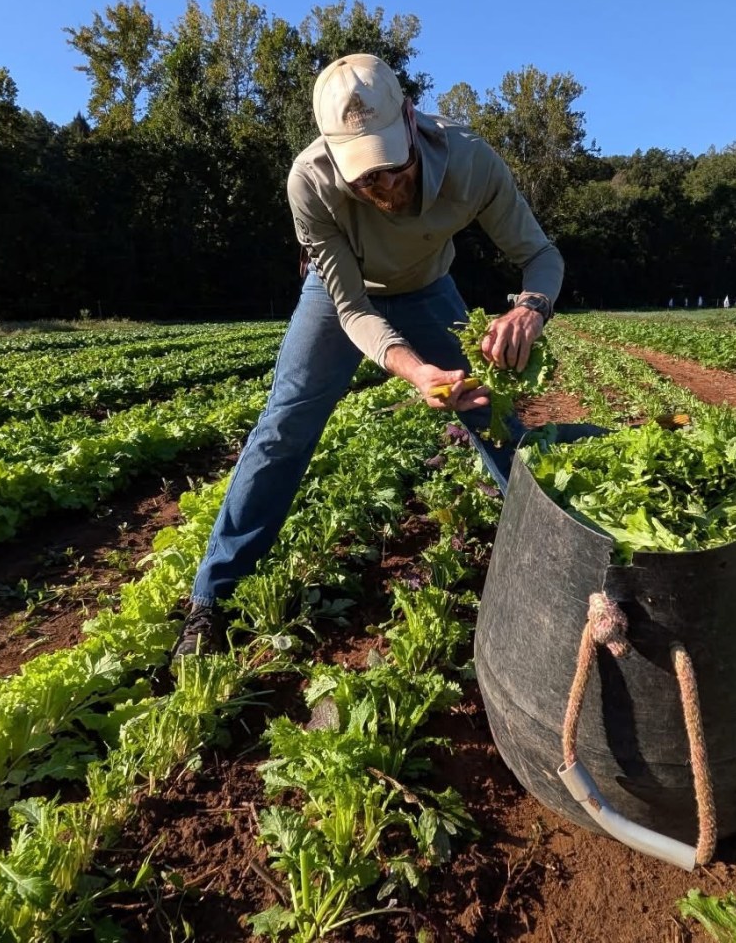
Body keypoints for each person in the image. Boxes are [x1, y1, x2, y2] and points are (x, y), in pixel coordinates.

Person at [173, 53, 563, 658]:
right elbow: (353, 310)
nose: (382, 185)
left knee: (491, 414)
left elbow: (541, 255)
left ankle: (562, 556)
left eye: (391, 166)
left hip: (429, 288)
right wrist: (416, 372)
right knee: (284, 427)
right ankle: (212, 598)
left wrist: (528, 309)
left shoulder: (469, 160)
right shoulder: (309, 181)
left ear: (410, 120)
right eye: (365, 177)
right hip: (340, 299)